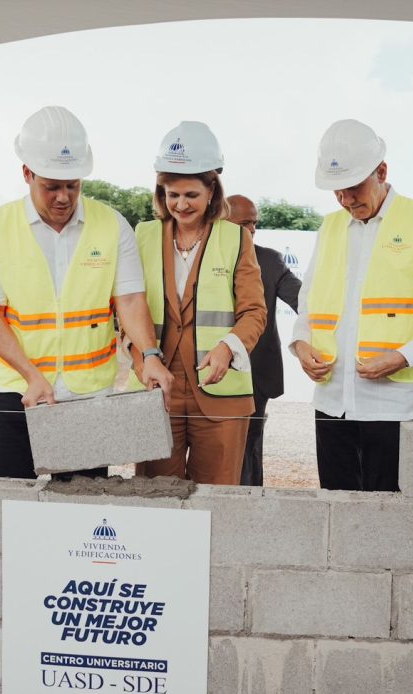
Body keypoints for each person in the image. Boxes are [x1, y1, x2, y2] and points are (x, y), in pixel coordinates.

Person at [0, 105, 173, 479]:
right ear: (27, 173)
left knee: (83, 516)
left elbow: (129, 299)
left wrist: (151, 353)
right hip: (18, 392)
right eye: (52, 186)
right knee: (9, 508)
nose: (64, 197)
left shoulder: (111, 224)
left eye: (73, 185)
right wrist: (31, 375)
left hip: (88, 396)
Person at [290, 119, 413, 491]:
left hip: (394, 409)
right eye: (337, 192)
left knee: (389, 521)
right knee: (336, 516)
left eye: (353, 188)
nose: (346, 200)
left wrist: (403, 357)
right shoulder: (330, 227)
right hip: (331, 404)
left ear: (382, 171)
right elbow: (307, 302)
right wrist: (302, 344)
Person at [132, 122, 266, 485]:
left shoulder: (237, 238)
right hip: (158, 392)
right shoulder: (142, 236)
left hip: (222, 394)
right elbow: (127, 308)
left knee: (217, 502)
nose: (180, 204)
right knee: (155, 499)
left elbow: (254, 311)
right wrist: (140, 359)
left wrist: (229, 346)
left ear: (212, 191)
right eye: (171, 194)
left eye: (190, 194)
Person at [226, 194, 301, 485]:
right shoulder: (199, 258)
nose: (252, 230)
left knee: (249, 448)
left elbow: (302, 300)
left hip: (255, 376)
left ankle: (250, 508)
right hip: (205, 373)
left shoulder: (269, 260)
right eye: (244, 224)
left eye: (255, 223)